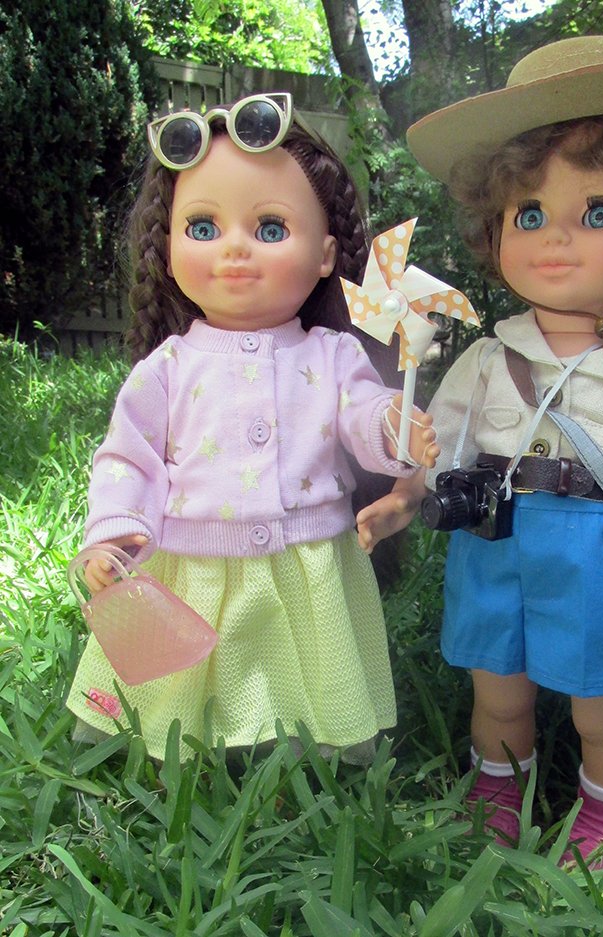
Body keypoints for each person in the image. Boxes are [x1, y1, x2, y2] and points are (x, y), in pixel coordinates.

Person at [357, 36, 603, 864]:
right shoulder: (488, 357)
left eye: (598, 213)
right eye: (529, 214)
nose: (555, 239)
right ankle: (498, 785)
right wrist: (407, 492)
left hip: (598, 548)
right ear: (494, 225)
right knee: (497, 685)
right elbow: (446, 435)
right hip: (493, 537)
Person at [66, 93, 439, 763]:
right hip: (193, 560)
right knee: (188, 684)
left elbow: (359, 411)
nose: (234, 248)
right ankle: (187, 742)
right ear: (169, 246)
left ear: (325, 255)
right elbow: (127, 456)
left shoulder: (332, 354)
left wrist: (392, 424)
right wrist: (116, 531)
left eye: (270, 228)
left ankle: (306, 738)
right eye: (202, 227)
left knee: (307, 670)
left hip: (307, 560)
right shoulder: (169, 367)